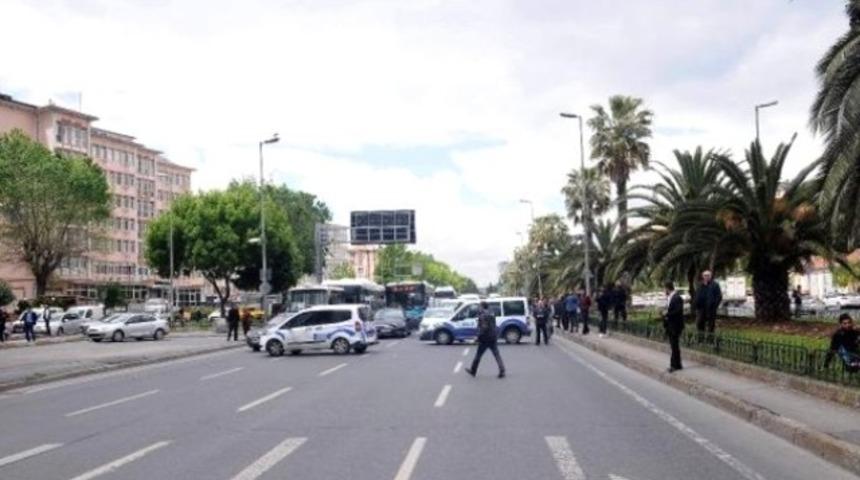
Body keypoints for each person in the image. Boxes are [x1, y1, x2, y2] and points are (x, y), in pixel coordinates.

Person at [465, 301, 506, 378]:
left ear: (482, 307)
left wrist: (477, 337)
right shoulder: (491, 313)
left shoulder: (483, 315)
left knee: (478, 355)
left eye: (479, 306)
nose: (478, 308)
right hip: (493, 337)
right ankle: (502, 370)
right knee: (497, 355)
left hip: (485, 339)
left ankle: (473, 371)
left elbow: (484, 328)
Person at [663, 281, 685, 372]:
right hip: (671, 325)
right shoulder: (671, 298)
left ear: (668, 288)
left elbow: (678, 311)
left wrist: (667, 314)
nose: (664, 291)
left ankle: (674, 365)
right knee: (674, 346)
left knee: (674, 346)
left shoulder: (677, 298)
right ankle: (678, 364)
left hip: (675, 326)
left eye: (664, 289)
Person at [695, 270, 722, 340]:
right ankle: (700, 338)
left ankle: (710, 340)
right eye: (705, 275)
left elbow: (719, 296)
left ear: (710, 276)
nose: (706, 277)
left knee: (711, 324)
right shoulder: (700, 285)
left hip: (711, 308)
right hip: (701, 308)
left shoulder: (715, 285)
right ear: (702, 276)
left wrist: (715, 305)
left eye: (708, 275)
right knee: (700, 323)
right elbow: (697, 295)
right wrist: (697, 304)